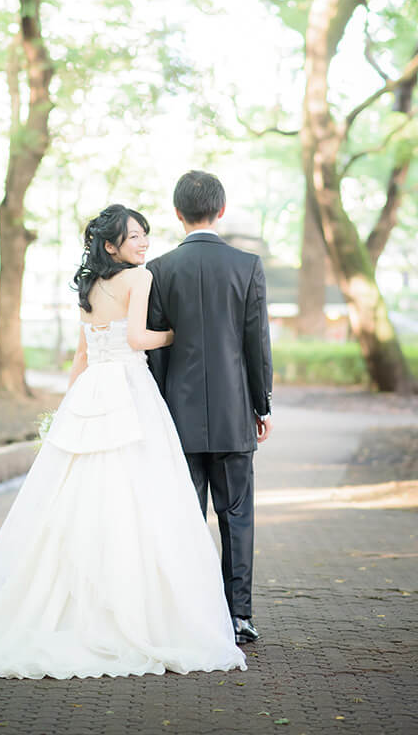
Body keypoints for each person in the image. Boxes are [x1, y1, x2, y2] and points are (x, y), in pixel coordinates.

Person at [0, 204, 246, 680]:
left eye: (145, 235)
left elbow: (82, 354)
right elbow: (136, 338)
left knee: (79, 497)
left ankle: (74, 605)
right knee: (139, 495)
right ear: (111, 244)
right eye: (133, 237)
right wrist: (175, 333)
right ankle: (132, 613)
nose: (143, 243)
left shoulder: (89, 285)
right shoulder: (141, 279)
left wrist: (67, 410)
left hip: (93, 390)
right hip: (130, 393)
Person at [146, 171, 273, 646]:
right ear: (221, 211)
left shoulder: (158, 269)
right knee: (237, 517)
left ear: (177, 214)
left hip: (176, 418)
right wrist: (261, 406)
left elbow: (155, 352)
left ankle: (188, 616)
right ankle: (240, 617)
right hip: (234, 414)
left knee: (184, 517)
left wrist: (157, 412)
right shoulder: (247, 266)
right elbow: (255, 345)